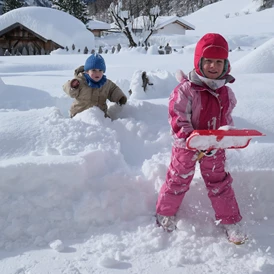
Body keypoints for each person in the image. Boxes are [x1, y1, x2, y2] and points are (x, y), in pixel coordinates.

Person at [155, 33, 247, 244]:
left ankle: (231, 221)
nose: (213, 66)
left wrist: (224, 137)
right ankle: (165, 213)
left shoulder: (226, 93)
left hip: (214, 147)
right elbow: (178, 119)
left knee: (220, 183)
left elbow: (226, 120)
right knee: (178, 179)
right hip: (186, 147)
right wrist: (192, 140)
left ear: (225, 64)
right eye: (208, 61)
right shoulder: (186, 90)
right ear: (199, 62)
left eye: (218, 61)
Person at [63, 53, 127, 118]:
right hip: (80, 116)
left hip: (100, 117)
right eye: (94, 70)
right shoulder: (80, 82)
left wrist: (120, 97)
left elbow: (113, 90)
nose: (97, 73)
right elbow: (68, 90)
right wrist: (72, 86)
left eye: (100, 70)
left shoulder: (105, 83)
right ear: (87, 71)